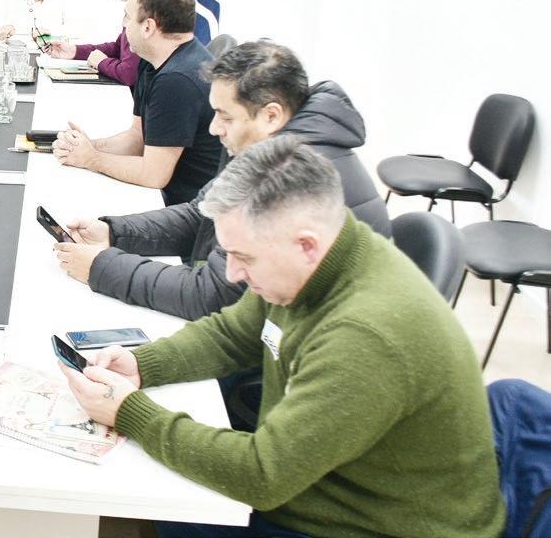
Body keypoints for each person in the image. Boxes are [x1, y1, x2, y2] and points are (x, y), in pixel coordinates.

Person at [59, 137, 506, 538]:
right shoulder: (320, 256)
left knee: (161, 502)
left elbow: (263, 475)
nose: (233, 273)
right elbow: (233, 333)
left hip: (377, 523)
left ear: (305, 245)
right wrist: (144, 364)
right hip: (326, 481)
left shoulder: (365, 337)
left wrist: (132, 413)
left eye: (243, 257)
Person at [54, 41, 392, 321]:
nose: (214, 128)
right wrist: (114, 233)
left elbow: (211, 294)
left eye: (225, 116)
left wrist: (101, 268)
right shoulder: (266, 142)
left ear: (271, 115)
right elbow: (201, 213)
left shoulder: (290, 179)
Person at [53, 0, 221, 206]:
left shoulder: (177, 81)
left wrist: (92, 158)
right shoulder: (151, 61)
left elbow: (153, 175)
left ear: (148, 27)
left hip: (190, 210)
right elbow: (137, 139)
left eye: (127, 17)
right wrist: (88, 146)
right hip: (166, 197)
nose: (124, 25)